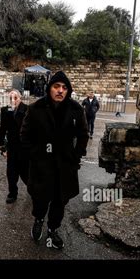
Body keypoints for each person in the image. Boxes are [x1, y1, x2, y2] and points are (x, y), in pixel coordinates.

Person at [20, 71, 89, 249]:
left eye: (64, 88)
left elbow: (83, 135)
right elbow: (25, 136)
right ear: (49, 88)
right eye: (56, 86)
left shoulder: (76, 109)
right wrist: (35, 157)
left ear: (69, 90)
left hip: (65, 166)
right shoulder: (36, 108)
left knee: (60, 200)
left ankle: (53, 229)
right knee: (41, 199)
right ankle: (39, 219)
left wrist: (76, 155)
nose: (60, 91)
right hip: (41, 166)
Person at [0, 89, 29, 203]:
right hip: (12, 147)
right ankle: (12, 193)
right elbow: (3, 128)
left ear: (20, 98)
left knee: (26, 172)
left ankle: (33, 190)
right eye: (10, 98)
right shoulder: (5, 110)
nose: (13, 100)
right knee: (11, 173)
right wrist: (1, 145)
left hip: (24, 147)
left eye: (15, 98)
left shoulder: (27, 109)